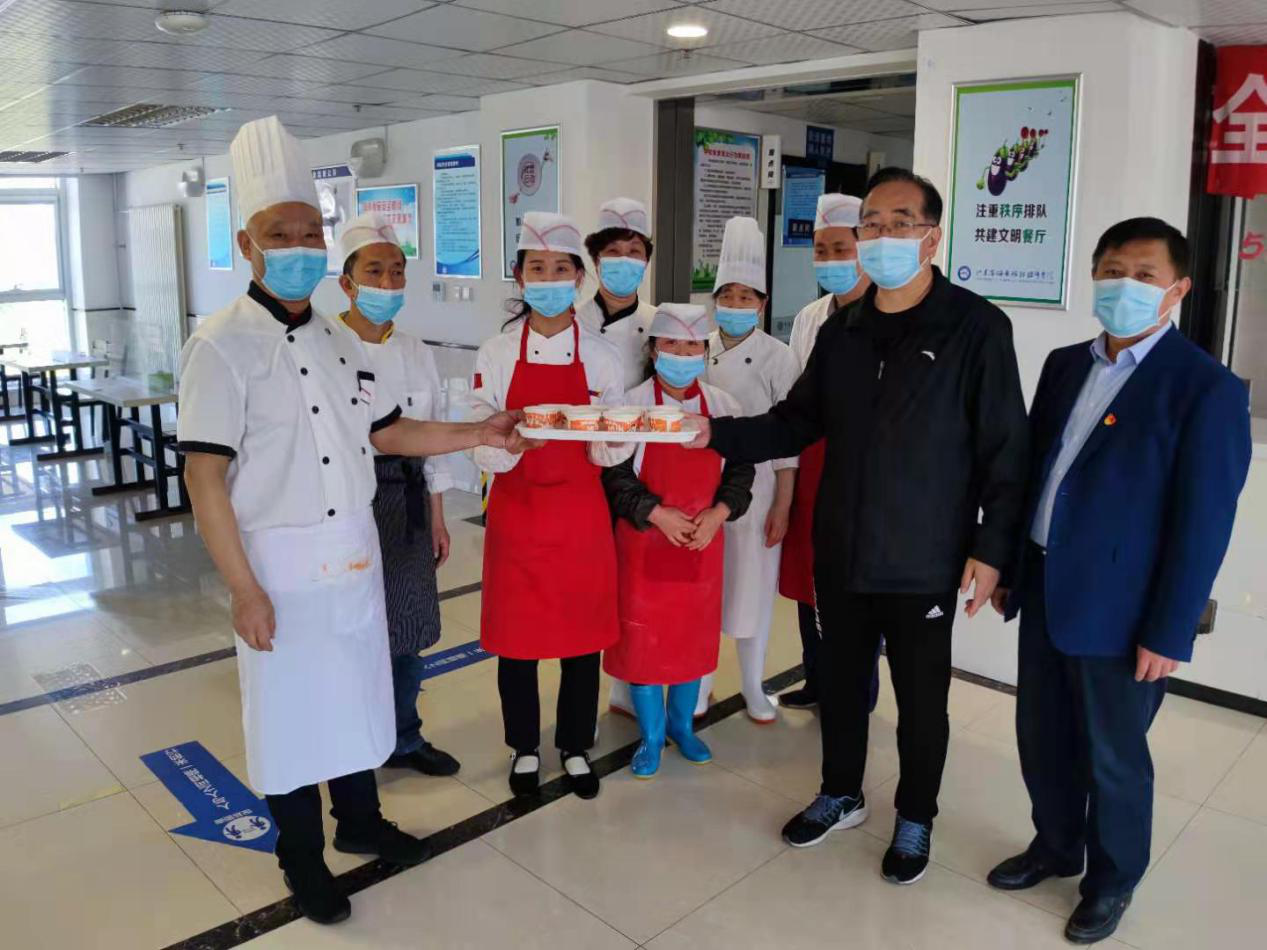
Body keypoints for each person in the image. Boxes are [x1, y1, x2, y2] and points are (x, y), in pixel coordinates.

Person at [178, 116, 531, 926]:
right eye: (280, 234)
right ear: (248, 244)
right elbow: (205, 479)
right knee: (290, 718)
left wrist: (478, 433)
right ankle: (301, 858)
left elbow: (387, 433)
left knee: (356, 698)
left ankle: (361, 822)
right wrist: (243, 589)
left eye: (310, 232)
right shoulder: (220, 346)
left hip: (353, 553)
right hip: (277, 565)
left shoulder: (339, 342)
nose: (298, 246)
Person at [686, 167, 1029, 885]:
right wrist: (710, 432)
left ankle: (915, 815)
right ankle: (840, 792)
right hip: (841, 548)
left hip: (925, 555)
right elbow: (795, 421)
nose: (881, 236)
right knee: (839, 684)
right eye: (870, 223)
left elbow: (1005, 448)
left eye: (899, 223)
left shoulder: (975, 327)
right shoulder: (843, 330)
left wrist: (991, 547)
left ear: (932, 238)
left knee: (921, 701)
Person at [986, 218, 1252, 945]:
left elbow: (1203, 525)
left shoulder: (1204, 388)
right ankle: (1054, 845)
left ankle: (1111, 879)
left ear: (1177, 290)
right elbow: (1038, 474)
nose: (1122, 285)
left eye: (1143, 274)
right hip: (1044, 583)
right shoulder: (1064, 365)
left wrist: (1169, 629)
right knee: (1041, 734)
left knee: (1113, 755)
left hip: (1125, 609)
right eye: (1111, 270)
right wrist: (1012, 568)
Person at [470, 211, 625, 800]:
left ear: (580, 278)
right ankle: (525, 747)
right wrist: (507, 445)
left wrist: (608, 436)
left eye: (562, 268)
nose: (550, 279)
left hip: (582, 516)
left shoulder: (604, 357)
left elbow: (614, 447)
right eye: (537, 268)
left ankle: (576, 745)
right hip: (518, 513)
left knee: (582, 639)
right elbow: (478, 435)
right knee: (518, 641)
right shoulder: (496, 352)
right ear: (520, 277)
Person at [597, 303, 754, 776]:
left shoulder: (724, 408)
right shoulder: (630, 405)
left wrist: (718, 514)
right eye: (671, 344)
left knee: (691, 641)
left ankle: (682, 726)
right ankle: (650, 736)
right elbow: (614, 475)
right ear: (652, 350)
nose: (682, 354)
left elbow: (741, 471)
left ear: (705, 352)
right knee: (643, 643)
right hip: (644, 544)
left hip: (701, 544)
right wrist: (655, 512)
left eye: (692, 346)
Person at [335, 211, 461, 778]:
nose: (388, 284)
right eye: (374, 272)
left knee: (407, 628)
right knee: (352, 627)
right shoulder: (324, 346)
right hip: (347, 499)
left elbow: (431, 435)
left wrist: (437, 515)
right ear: (347, 282)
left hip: (407, 497)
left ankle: (404, 737)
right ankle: (352, 742)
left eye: (397, 272)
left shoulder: (415, 350)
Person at [777, 193, 874, 712]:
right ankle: (816, 679)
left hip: (864, 469)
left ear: (864, 249)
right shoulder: (810, 317)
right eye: (821, 250)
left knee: (855, 585)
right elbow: (796, 402)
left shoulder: (889, 310)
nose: (830, 260)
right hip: (813, 462)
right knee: (807, 576)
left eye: (841, 248)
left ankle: (855, 694)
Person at [702, 216, 798, 723]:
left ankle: (753, 686)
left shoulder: (779, 358)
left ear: (762, 304)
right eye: (727, 295)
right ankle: (698, 686)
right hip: (699, 486)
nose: (735, 305)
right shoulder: (695, 349)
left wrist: (783, 502)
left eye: (746, 297)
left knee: (753, 593)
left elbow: (789, 440)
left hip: (758, 492)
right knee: (703, 589)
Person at [574, 197, 658, 720]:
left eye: (634, 251)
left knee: (635, 577)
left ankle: (633, 677)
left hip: (639, 471)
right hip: (581, 469)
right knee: (591, 581)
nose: (624, 261)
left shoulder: (659, 322)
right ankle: (595, 682)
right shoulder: (570, 320)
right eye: (613, 251)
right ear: (594, 259)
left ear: (646, 260)